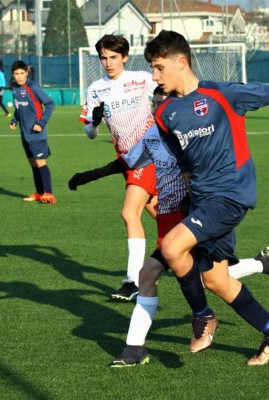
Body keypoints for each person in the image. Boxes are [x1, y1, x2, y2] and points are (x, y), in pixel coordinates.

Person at [142, 30, 269, 366]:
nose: (154, 76)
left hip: (231, 194)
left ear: (180, 62)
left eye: (158, 68)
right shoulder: (165, 113)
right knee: (215, 279)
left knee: (171, 248)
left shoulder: (222, 94)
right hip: (202, 199)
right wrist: (177, 199)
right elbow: (185, 163)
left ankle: (202, 317)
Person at [68, 121, 269, 368]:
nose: (159, 103)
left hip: (195, 221)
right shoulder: (152, 136)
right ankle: (268, 307)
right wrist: (91, 175)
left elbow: (213, 166)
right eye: (156, 98)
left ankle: (202, 323)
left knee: (203, 279)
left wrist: (198, 199)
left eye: (164, 96)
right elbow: (130, 161)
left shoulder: (191, 132)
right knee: (206, 279)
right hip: (174, 223)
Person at [79, 34, 158, 302]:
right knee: (162, 214)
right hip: (126, 160)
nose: (108, 62)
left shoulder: (142, 79)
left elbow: (166, 97)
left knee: (128, 212)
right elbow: (89, 132)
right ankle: (210, 252)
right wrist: (95, 122)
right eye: (103, 57)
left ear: (125, 57)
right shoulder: (95, 89)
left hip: (149, 155)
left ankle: (133, 280)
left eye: (113, 57)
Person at [9, 60, 56, 204]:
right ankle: (39, 193)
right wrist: (14, 120)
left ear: (26, 73)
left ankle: (49, 194)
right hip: (24, 134)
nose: (19, 77)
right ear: (13, 75)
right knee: (33, 163)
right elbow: (19, 109)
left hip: (36, 133)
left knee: (40, 162)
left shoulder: (32, 87)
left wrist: (41, 124)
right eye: (16, 74)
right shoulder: (14, 89)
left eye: (22, 73)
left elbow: (50, 104)